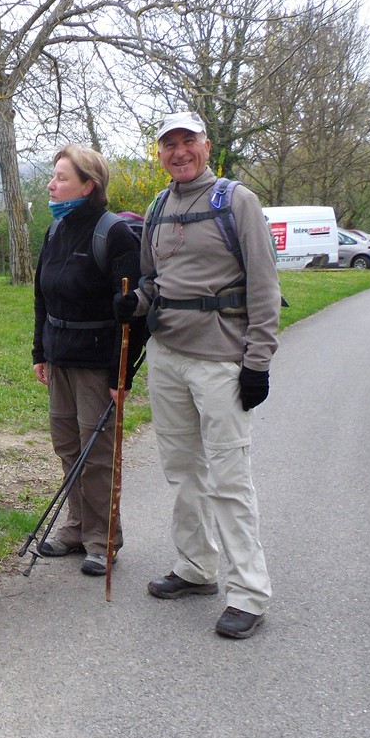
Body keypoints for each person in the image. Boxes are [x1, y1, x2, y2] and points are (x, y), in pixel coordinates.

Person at [114, 111, 280, 638]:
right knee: (183, 468)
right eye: (169, 144)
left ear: (207, 146)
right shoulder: (159, 205)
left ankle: (249, 593)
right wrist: (133, 304)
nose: (179, 152)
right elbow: (152, 281)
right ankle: (197, 566)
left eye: (188, 141)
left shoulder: (236, 202)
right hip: (168, 356)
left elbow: (264, 286)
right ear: (159, 153)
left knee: (229, 477)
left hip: (221, 362)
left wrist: (257, 362)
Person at [32, 144, 146, 577]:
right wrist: (40, 352)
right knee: (67, 447)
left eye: (61, 177)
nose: (51, 184)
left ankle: (103, 539)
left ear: (88, 184)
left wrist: (125, 372)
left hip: (98, 365)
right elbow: (42, 297)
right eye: (53, 175)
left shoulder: (111, 233)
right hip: (59, 358)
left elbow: (135, 311)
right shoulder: (55, 232)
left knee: (96, 453)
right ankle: (76, 528)